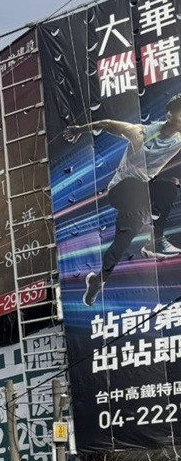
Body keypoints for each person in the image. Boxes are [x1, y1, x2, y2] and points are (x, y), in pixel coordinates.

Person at [64, 94, 181, 306]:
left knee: (121, 243)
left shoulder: (179, 139)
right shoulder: (140, 132)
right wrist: (78, 130)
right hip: (120, 189)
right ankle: (152, 226)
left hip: (140, 197)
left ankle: (98, 282)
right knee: (147, 186)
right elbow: (107, 124)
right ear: (170, 114)